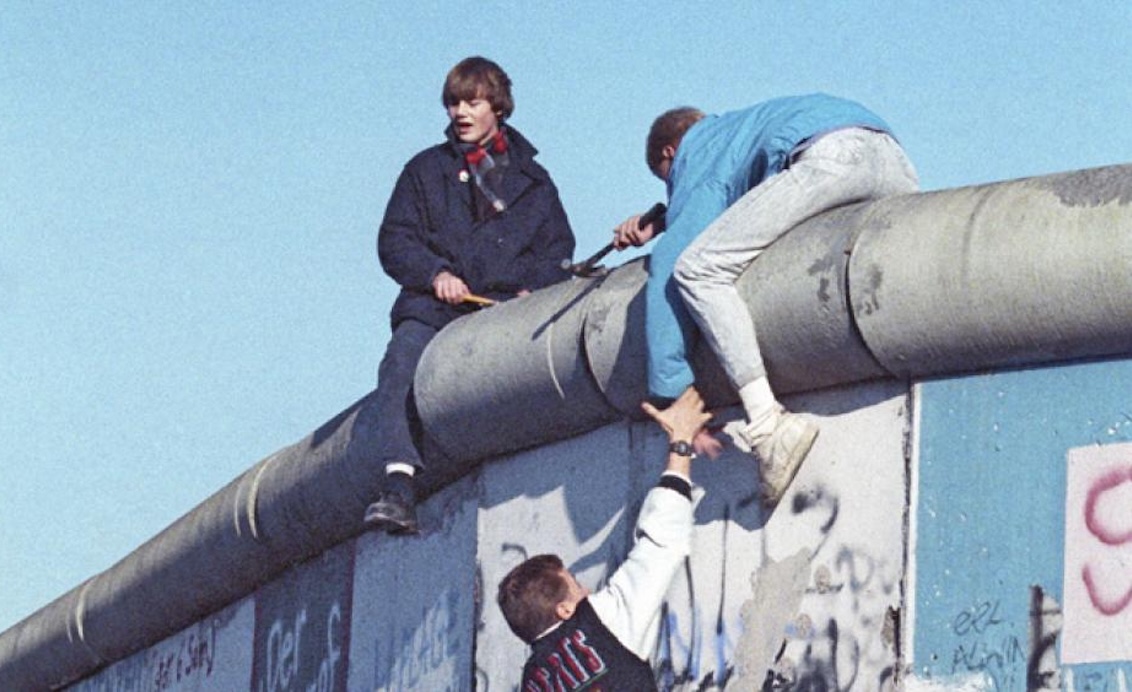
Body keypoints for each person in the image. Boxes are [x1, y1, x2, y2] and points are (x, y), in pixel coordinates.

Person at [613, 93, 919, 508]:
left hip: (830, 160)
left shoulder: (696, 152)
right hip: (892, 161)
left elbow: (673, 262)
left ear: (670, 152)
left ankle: (768, 426)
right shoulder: (737, 131)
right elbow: (753, 201)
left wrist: (674, 393)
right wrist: (666, 219)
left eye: (667, 178)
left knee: (698, 270)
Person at [366, 57, 576, 534]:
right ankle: (398, 485)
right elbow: (394, 240)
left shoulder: (535, 183)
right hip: (434, 308)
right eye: (452, 102)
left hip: (504, 313)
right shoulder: (424, 171)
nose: (460, 111)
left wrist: (532, 291)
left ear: (496, 107)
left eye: (471, 102)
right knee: (400, 364)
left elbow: (558, 249)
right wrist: (433, 272)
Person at [497, 387, 711, 690]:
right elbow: (661, 542)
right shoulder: (601, 622)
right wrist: (681, 441)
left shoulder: (533, 681)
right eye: (575, 585)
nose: (586, 588)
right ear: (565, 610)